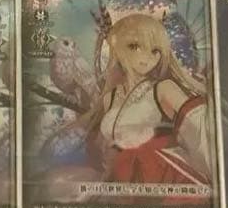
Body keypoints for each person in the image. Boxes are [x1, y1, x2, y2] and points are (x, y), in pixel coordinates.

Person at [80, 13, 212, 189]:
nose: (147, 57)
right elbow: (97, 147)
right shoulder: (109, 98)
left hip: (162, 175)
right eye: (135, 46)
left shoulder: (164, 88)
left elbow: (199, 131)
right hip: (122, 180)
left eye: (155, 50)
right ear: (117, 47)